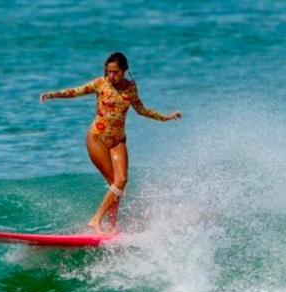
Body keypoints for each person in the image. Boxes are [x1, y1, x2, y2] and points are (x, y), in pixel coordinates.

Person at [40, 52, 181, 235]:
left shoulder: (130, 89)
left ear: (124, 71)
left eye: (115, 72)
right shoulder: (101, 83)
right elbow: (76, 91)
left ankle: (112, 225)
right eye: (108, 72)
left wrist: (166, 118)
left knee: (120, 181)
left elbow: (141, 110)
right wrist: (53, 95)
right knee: (114, 182)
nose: (111, 76)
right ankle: (97, 220)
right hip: (97, 138)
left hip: (118, 140)